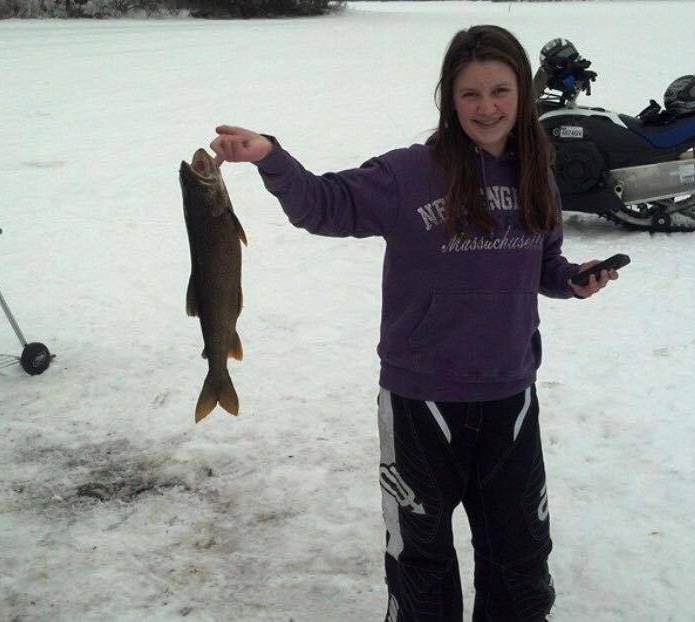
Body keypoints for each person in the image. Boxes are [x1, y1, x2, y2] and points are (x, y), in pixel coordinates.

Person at [210, 24, 618, 622]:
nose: (487, 107)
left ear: (523, 96)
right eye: (470, 94)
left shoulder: (538, 175)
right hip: (421, 402)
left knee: (521, 560)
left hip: (510, 396)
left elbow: (543, 264)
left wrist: (572, 281)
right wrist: (271, 157)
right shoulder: (410, 174)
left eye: (500, 90)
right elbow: (324, 205)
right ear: (450, 101)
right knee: (421, 563)